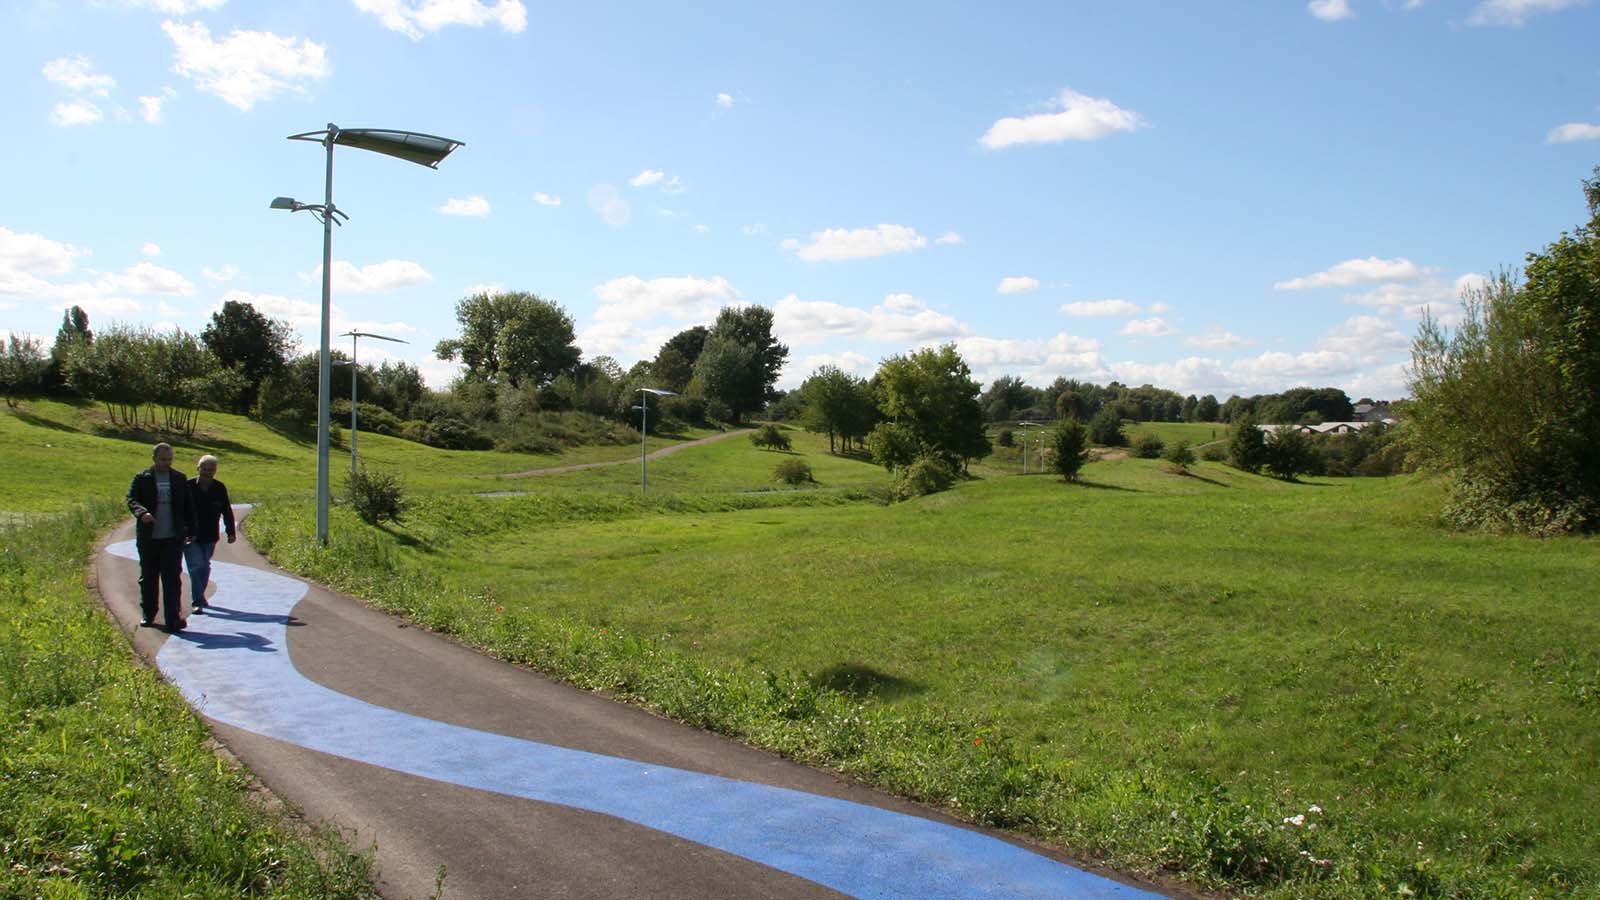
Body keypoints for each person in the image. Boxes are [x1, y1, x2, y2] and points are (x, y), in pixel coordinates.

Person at [125, 442, 197, 631]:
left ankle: (173, 618)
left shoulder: (179, 478)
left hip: (172, 538)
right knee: (148, 577)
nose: (167, 463)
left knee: (172, 578)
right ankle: (148, 614)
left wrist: (192, 531)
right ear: (154, 459)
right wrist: (142, 513)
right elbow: (131, 499)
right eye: (163, 459)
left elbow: (188, 506)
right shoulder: (142, 478)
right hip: (149, 538)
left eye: (169, 459)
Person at [185, 453, 236, 613]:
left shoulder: (219, 488)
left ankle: (200, 596)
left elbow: (226, 510)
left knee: (205, 566)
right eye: (204, 469)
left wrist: (230, 531)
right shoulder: (188, 486)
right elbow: (180, 509)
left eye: (211, 470)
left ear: (215, 471)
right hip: (190, 535)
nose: (207, 472)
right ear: (198, 468)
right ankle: (197, 600)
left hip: (210, 534)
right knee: (196, 566)